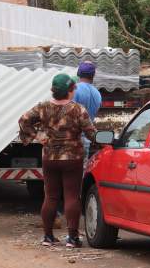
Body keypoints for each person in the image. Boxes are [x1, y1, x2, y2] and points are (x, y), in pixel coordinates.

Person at [19, 73, 96, 248]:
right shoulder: (78, 110)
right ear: (69, 90)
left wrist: (38, 136)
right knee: (72, 196)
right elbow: (91, 134)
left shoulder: (43, 107)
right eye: (73, 87)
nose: (75, 89)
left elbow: (23, 120)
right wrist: (104, 141)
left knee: (51, 196)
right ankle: (73, 238)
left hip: (50, 157)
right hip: (72, 158)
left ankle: (48, 237)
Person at [72, 61, 102, 157]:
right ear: (93, 75)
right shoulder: (97, 94)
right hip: (85, 142)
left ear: (78, 73)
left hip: (71, 142)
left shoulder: (73, 90)